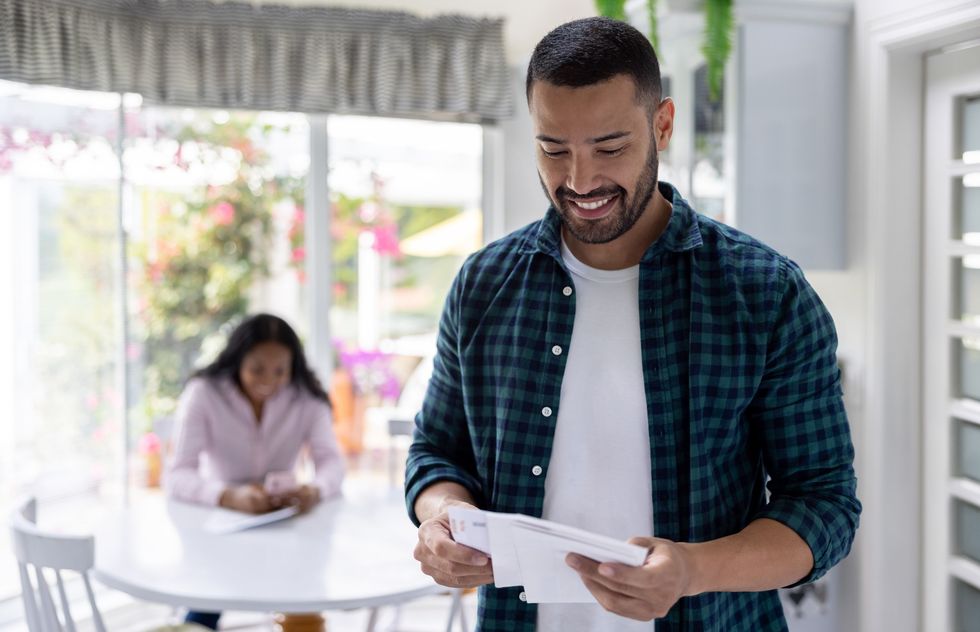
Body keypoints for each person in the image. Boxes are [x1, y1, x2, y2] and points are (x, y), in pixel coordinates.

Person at [405, 16, 860, 632]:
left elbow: (824, 506)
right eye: (553, 148)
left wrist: (693, 571)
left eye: (610, 147)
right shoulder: (483, 285)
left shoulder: (767, 293)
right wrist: (443, 519)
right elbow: (437, 453)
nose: (580, 180)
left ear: (662, 124)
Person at [165, 313, 345, 630]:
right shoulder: (204, 393)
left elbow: (333, 463)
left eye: (280, 371)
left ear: (293, 367)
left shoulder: (307, 399)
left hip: (288, 530)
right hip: (218, 531)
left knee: (306, 598)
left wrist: (313, 490)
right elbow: (178, 475)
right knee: (205, 605)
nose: (269, 380)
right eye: (257, 369)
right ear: (237, 361)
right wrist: (227, 496)